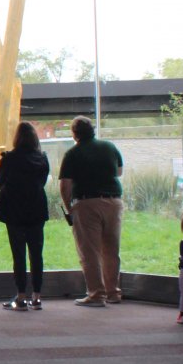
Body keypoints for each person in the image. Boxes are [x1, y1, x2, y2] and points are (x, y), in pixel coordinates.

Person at [57, 116, 124, 307]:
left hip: (87, 203)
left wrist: (69, 208)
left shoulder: (73, 154)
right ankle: (113, 292)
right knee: (112, 249)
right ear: (93, 130)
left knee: (90, 251)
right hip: (114, 202)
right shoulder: (109, 147)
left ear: (74, 134)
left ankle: (96, 294)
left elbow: (65, 184)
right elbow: (118, 172)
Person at [0, 121, 50, 311]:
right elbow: (42, 181)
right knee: (37, 253)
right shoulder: (42, 158)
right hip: (36, 208)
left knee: (18, 254)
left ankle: (21, 297)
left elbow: (0, 183)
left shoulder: (9, 158)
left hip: (14, 210)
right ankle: (38, 297)